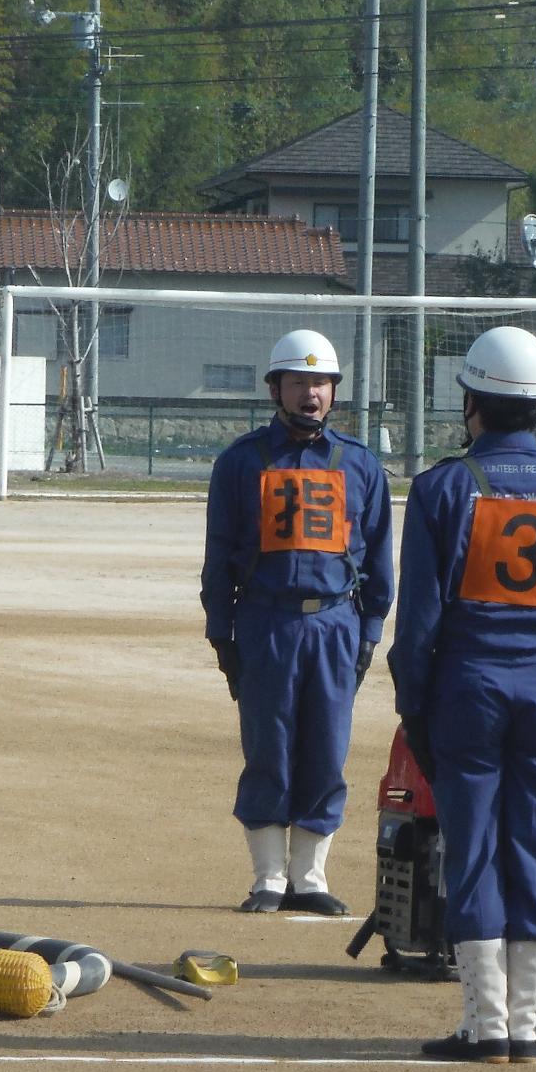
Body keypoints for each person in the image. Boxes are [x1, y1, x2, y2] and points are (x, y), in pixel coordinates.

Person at [390, 326, 536, 1063]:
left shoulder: (443, 488)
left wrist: (415, 707)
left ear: (471, 402)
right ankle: (532, 1021)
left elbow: (418, 623)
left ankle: (485, 1023)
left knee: (475, 847)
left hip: (468, 685)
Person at [201, 329, 394, 916]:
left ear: (334, 391)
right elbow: (217, 557)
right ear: (276, 388)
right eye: (299, 382)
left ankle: (310, 878)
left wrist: (368, 634)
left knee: (326, 749)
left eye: (321, 383)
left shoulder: (361, 465)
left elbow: (380, 557)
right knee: (269, 746)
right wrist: (222, 635)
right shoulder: (239, 463)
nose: (310, 394)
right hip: (266, 623)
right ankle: (268, 878)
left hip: (335, 625)